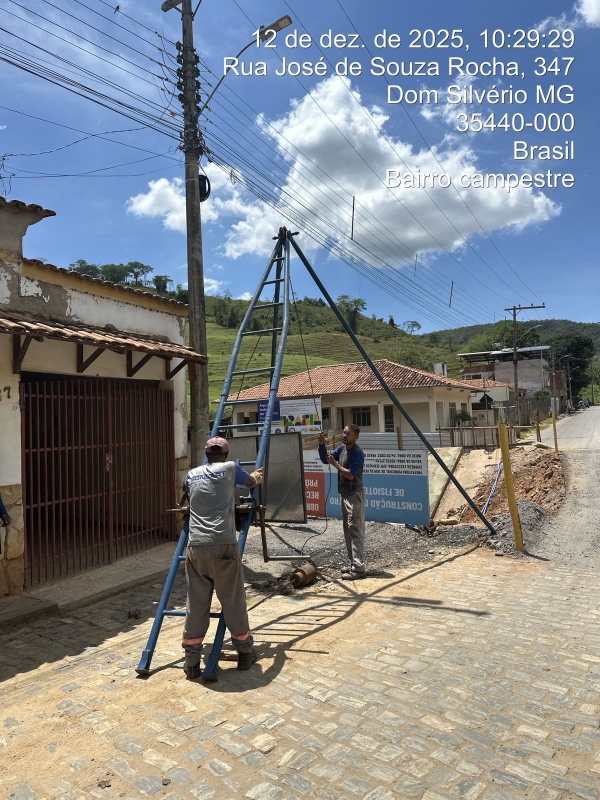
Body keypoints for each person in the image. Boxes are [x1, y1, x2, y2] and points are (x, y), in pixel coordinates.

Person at [182, 436, 263, 681]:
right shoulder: (230, 468)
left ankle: (192, 662)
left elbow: (191, 492)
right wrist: (257, 477)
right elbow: (250, 482)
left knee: (195, 604)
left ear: (207, 454)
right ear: (225, 455)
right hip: (223, 544)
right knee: (233, 600)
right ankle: (245, 653)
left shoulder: (191, 473)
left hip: (195, 545)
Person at [318, 425, 366, 578]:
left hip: (354, 495)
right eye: (344, 432)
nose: (344, 435)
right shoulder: (342, 448)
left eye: (348, 433)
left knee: (355, 530)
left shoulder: (357, 453)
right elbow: (326, 459)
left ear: (356, 436)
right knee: (348, 529)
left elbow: (351, 475)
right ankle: (353, 563)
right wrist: (321, 444)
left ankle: (359, 567)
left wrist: (335, 464)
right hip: (345, 494)